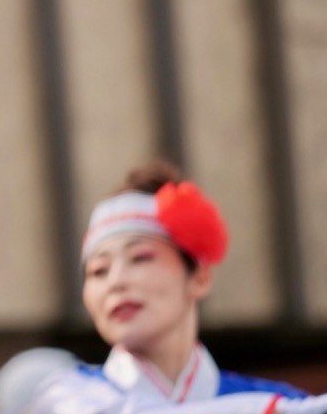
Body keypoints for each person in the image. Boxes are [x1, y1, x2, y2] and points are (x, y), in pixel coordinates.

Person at [24, 161, 325, 414]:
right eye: (98, 271)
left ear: (199, 277)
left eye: (140, 258)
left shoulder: (281, 399)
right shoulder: (64, 396)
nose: (116, 281)